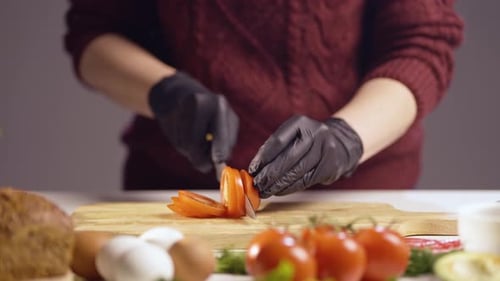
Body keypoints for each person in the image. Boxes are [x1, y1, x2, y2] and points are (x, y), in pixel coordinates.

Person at [64, 1, 464, 197]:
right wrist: (165, 91)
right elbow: (94, 31)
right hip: (176, 192)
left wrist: (346, 138)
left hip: (358, 200)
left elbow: (422, 44)